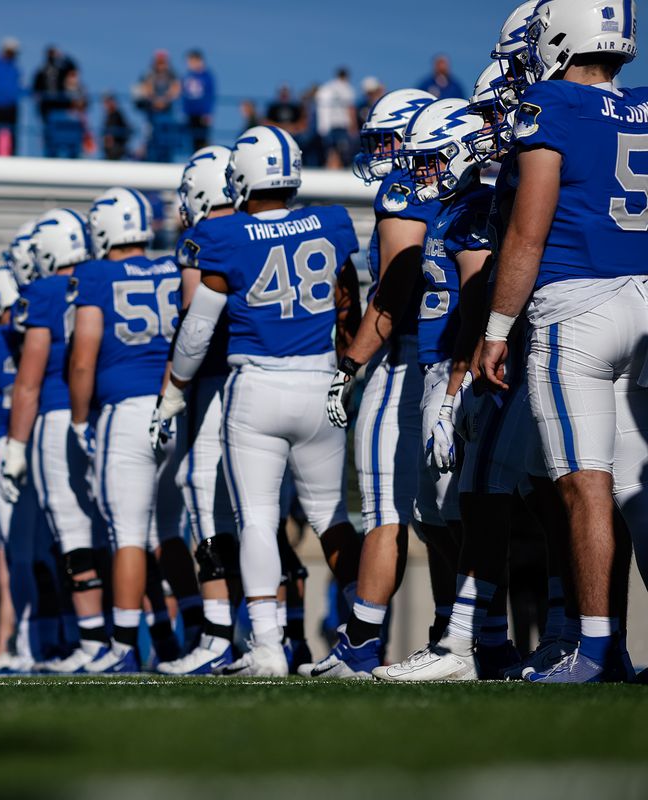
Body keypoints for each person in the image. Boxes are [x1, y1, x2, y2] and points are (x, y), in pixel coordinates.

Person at [154, 126, 363, 676]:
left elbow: (197, 332)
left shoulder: (228, 237)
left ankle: (267, 645)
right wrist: (350, 368)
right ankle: (365, 633)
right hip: (320, 382)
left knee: (256, 519)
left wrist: (175, 390)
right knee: (332, 518)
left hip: (259, 387)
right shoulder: (332, 221)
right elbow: (349, 305)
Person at [480, 0, 646, 683]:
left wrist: (495, 329)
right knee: (639, 485)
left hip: (576, 305)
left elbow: (528, 231)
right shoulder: (640, 107)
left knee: (584, 485)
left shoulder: (552, 103)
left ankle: (598, 648)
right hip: (644, 300)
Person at [312, 89, 435, 679]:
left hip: (409, 357)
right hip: (458, 358)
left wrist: (350, 363)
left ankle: (360, 645)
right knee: (453, 511)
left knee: (386, 511)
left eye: (388, 140)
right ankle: (466, 633)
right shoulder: (479, 187)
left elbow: (393, 291)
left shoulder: (406, 191)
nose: (381, 155)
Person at [370, 99, 493, 682]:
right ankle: (468, 638)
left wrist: (451, 392)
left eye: (429, 158)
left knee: (465, 508)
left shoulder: (473, 207)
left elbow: (474, 305)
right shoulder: (450, 208)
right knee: (435, 511)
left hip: (455, 369)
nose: (419, 171)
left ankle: (473, 641)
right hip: (436, 365)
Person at [68, 188, 181, 674]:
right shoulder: (175, 266)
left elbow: (83, 357)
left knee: (128, 536)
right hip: (176, 409)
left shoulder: (96, 274)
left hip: (126, 412)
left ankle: (122, 644)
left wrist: (78, 419)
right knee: (172, 531)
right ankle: (195, 632)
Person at [1, 210, 108, 673]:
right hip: (108, 412)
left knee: (73, 532)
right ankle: (146, 636)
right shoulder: (106, 276)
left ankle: (93, 642)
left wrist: (15, 446)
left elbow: (28, 381)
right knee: (124, 531)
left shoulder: (42, 292)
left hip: (59, 414)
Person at [156, 146, 242, 675]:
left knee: (203, 496)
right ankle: (283, 630)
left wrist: (173, 388)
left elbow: (194, 321)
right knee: (264, 517)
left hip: (216, 382)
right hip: (280, 374)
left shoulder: (206, 237)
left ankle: (216, 634)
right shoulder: (269, 226)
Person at [139, 50, 180, 162]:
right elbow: (145, 88)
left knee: (167, 138)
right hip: (153, 112)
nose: (161, 64)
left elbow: (176, 89)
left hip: (167, 112)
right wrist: (155, 100)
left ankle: (166, 159)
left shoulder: (172, 75)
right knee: (151, 137)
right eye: (159, 62)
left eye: (163, 62)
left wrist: (164, 100)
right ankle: (150, 158)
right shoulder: (150, 74)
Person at [314, 67, 357, 169]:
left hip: (328, 124)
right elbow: (350, 108)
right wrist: (353, 126)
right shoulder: (347, 88)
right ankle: (337, 169)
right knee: (342, 150)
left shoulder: (327, 87)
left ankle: (330, 167)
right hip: (342, 124)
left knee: (331, 149)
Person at [31, 46, 77, 125]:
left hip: (59, 101)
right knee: (47, 124)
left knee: (60, 123)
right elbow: (36, 86)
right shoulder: (42, 70)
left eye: (53, 53)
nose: (52, 55)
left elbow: (72, 67)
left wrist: (63, 56)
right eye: (50, 53)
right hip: (46, 103)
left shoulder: (60, 68)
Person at [181, 50, 216, 151]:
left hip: (202, 113)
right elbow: (184, 93)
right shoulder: (188, 76)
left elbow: (210, 94)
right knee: (191, 139)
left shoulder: (207, 76)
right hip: (190, 113)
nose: (189, 64)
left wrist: (208, 113)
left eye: (191, 61)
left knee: (202, 139)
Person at [100, 93, 130, 161]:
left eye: (108, 102)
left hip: (117, 148)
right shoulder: (108, 116)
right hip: (110, 150)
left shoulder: (118, 115)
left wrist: (111, 137)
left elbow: (125, 130)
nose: (106, 105)